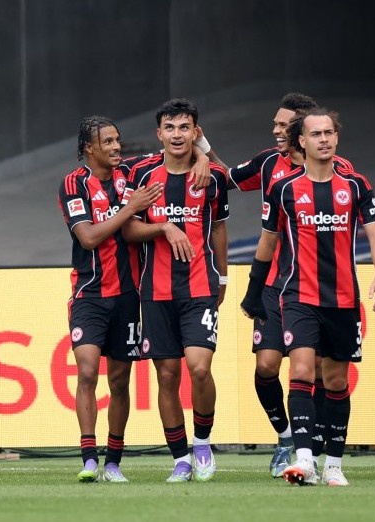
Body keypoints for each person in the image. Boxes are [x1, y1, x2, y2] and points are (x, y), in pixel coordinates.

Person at [205, 93, 354, 478]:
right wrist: (201, 147)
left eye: (282, 124)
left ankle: (315, 451)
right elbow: (227, 178)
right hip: (275, 284)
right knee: (267, 365)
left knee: (318, 370)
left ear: (301, 130)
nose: (275, 130)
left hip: (317, 286)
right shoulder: (269, 162)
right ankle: (286, 438)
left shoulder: (341, 171)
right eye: (274, 123)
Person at [241, 108, 375, 486]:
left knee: (336, 381)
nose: (324, 139)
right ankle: (304, 459)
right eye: (316, 134)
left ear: (336, 137)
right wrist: (254, 291)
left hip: (343, 298)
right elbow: (268, 241)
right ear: (302, 142)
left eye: (329, 133)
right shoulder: (285, 189)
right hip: (298, 295)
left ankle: (333, 465)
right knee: (302, 371)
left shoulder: (355, 185)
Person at [122, 98, 229, 483]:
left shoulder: (212, 177)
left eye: (185, 127)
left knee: (199, 368)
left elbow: (219, 228)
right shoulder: (141, 174)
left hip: (200, 286)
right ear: (159, 134)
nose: (177, 134)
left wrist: (223, 278)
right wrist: (165, 227)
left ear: (196, 132)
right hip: (155, 290)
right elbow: (128, 229)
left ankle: (202, 443)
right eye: (170, 128)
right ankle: (180, 459)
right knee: (167, 376)